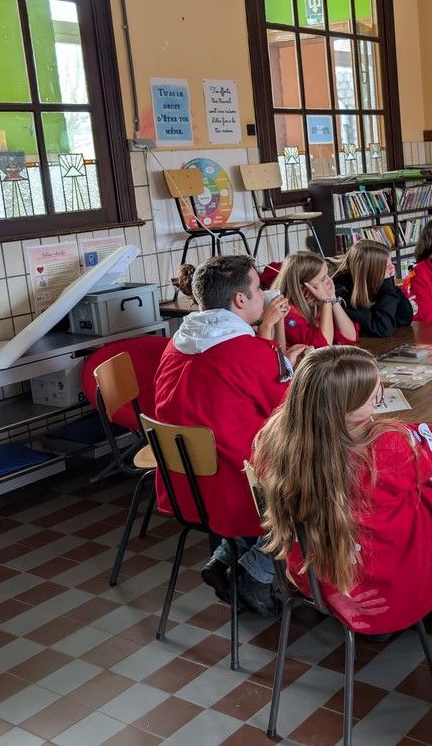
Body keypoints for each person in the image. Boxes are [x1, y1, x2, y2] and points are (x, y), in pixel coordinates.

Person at [255, 346, 432, 639]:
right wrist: (404, 430)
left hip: (318, 574)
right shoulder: (384, 447)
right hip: (381, 581)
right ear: (346, 407)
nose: (379, 399)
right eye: (375, 396)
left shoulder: (273, 439)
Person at [154, 255, 304, 615]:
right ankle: (254, 572)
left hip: (184, 485)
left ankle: (225, 558)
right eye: (259, 288)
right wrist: (290, 369)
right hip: (239, 487)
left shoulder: (174, 345)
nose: (264, 295)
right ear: (239, 299)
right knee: (316, 487)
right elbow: (290, 413)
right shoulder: (250, 352)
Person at [273, 250, 359, 347]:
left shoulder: (315, 301)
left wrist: (332, 298)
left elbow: (351, 337)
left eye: (327, 275)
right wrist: (326, 302)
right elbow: (323, 346)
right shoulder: (287, 313)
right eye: (323, 279)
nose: (330, 281)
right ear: (302, 287)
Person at [332, 240, 413, 337]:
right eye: (387, 266)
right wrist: (387, 286)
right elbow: (383, 328)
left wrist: (390, 282)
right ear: (371, 271)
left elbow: (404, 318)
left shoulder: (373, 281)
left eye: (391, 262)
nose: (393, 268)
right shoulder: (341, 292)